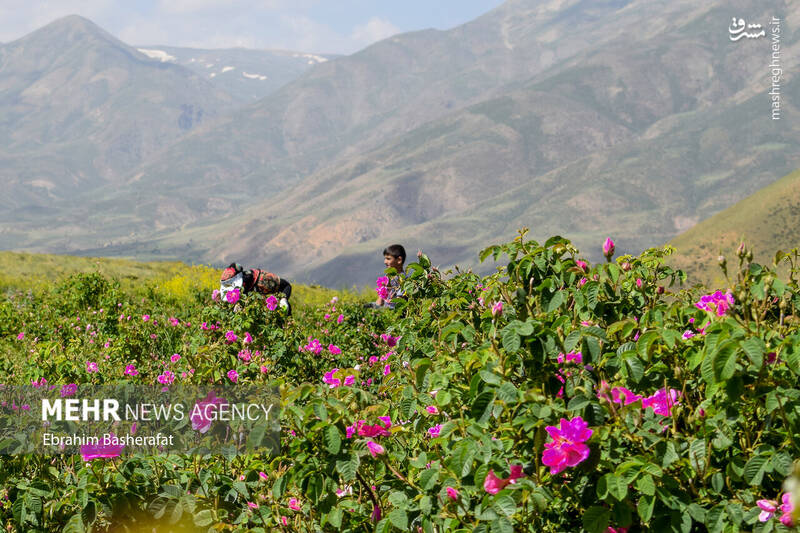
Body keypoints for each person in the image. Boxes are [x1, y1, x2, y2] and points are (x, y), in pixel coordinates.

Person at [219, 263, 292, 314]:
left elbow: (287, 286)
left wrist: (283, 299)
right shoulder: (241, 289)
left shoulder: (264, 280)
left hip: (274, 311)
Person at [373, 244, 406, 309]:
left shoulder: (402, 279)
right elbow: (380, 302)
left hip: (394, 312)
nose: (385, 262)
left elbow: (399, 304)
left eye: (388, 259)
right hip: (386, 310)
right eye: (385, 258)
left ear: (399, 260)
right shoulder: (388, 277)